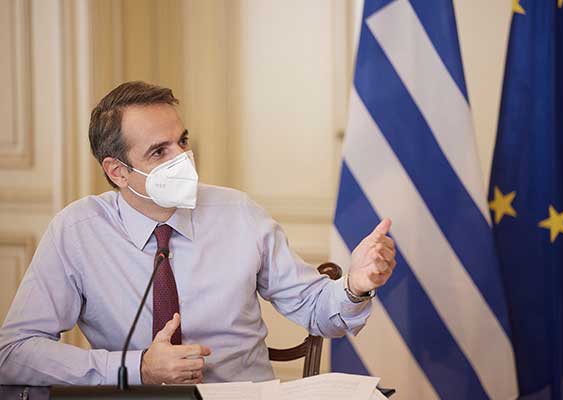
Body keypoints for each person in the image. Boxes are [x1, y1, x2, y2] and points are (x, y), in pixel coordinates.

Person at [0, 81, 397, 385]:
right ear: (117, 171)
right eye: (160, 151)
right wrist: (135, 368)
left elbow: (316, 310)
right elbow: (13, 353)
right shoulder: (78, 231)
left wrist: (354, 287)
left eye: (183, 141)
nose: (184, 159)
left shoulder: (239, 214)